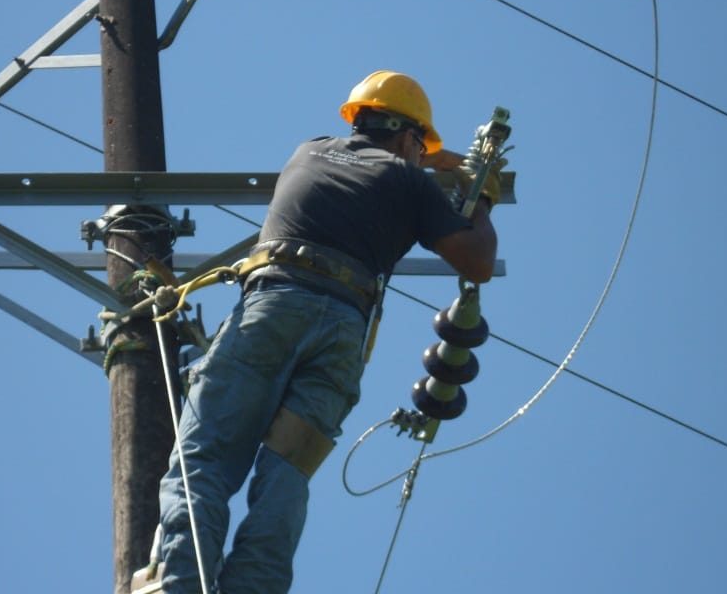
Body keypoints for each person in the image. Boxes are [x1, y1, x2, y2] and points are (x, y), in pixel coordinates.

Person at [155, 70, 499, 593]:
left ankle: (180, 583)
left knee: (203, 462)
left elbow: (381, 156)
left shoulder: (309, 151)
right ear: (409, 138)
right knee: (284, 478)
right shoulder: (410, 184)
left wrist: (440, 158)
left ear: (358, 117)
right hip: (339, 338)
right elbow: (475, 262)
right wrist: (483, 194)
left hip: (270, 311)